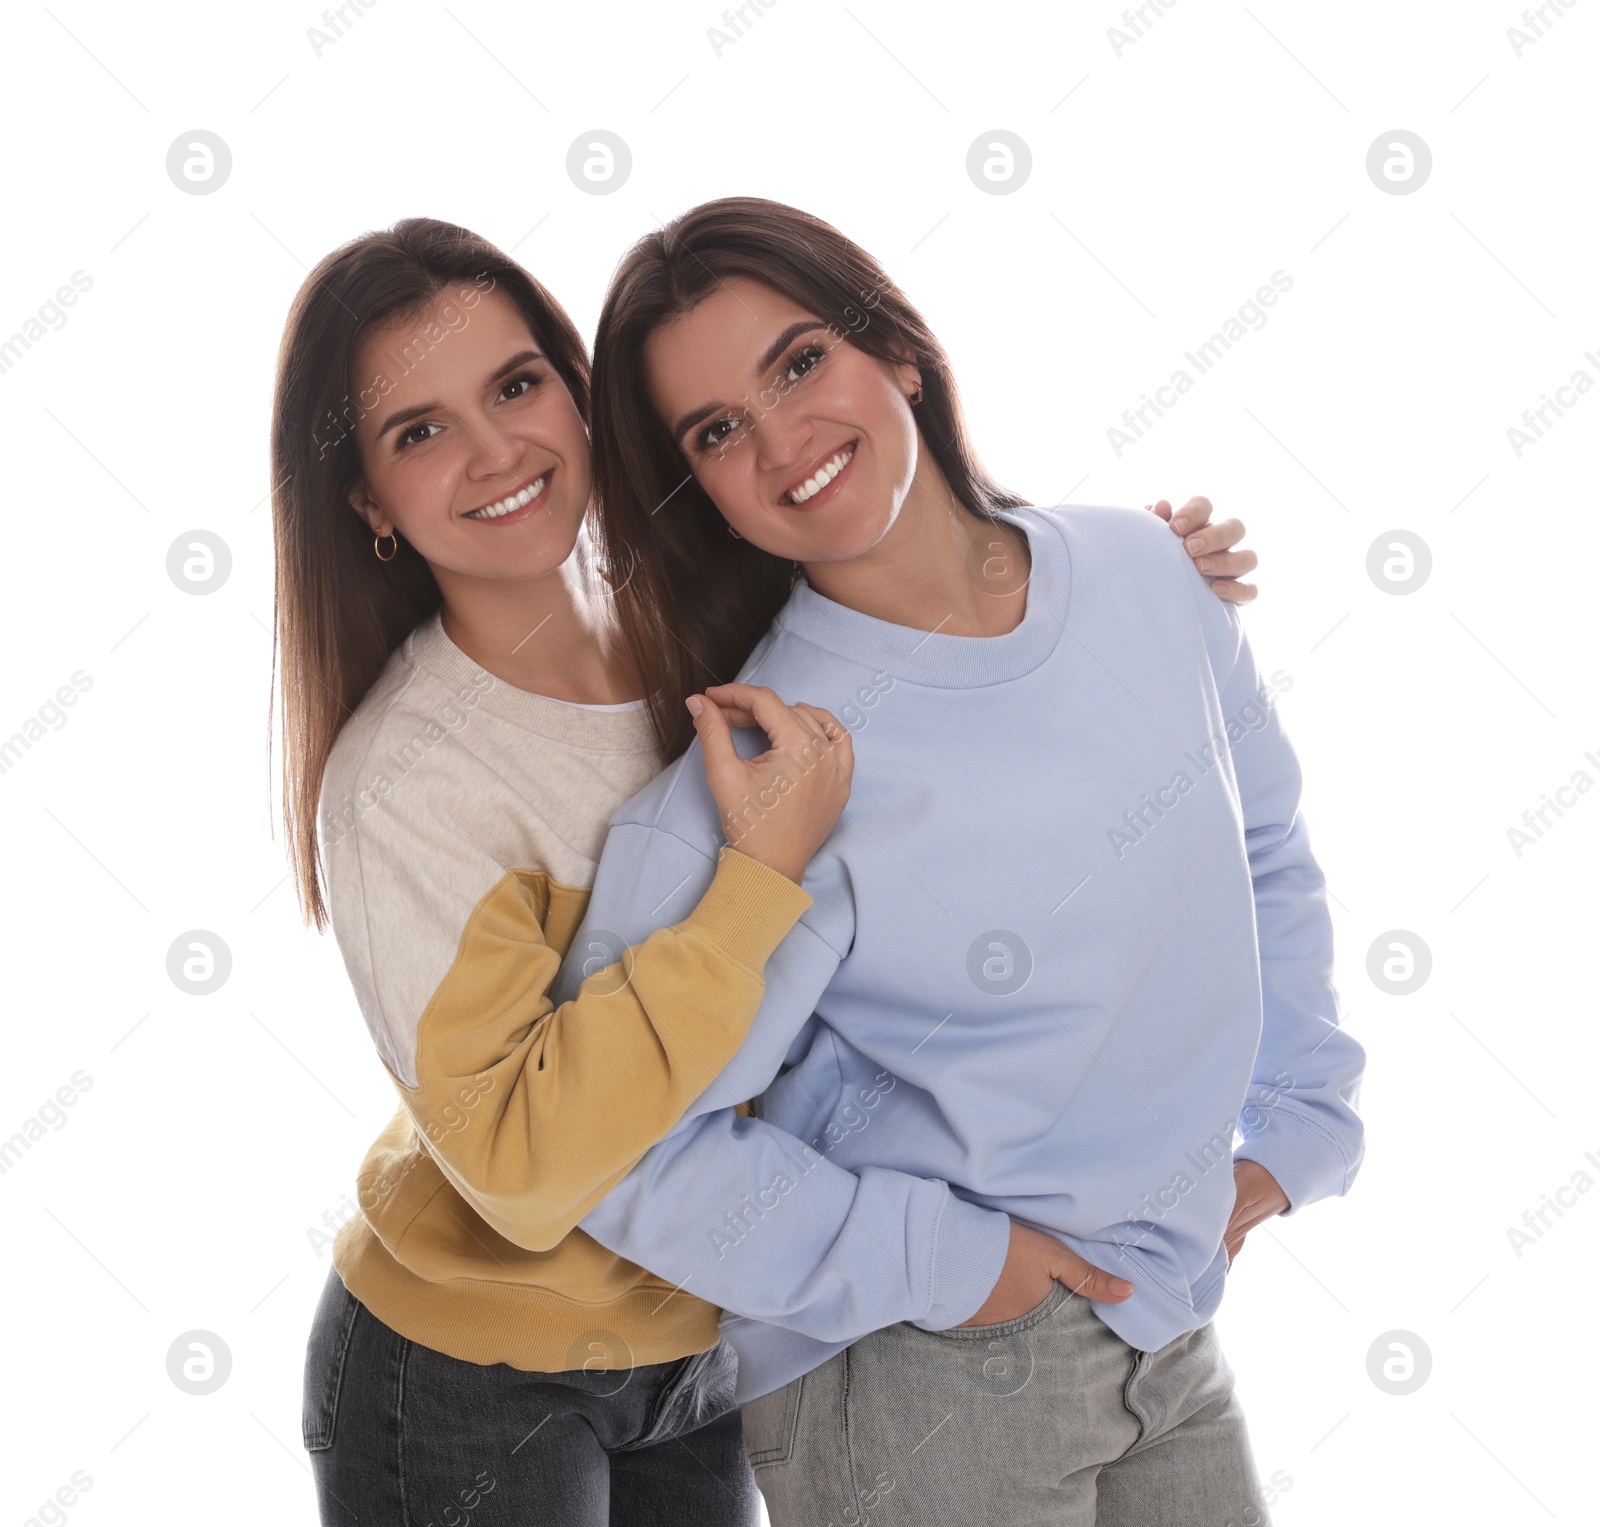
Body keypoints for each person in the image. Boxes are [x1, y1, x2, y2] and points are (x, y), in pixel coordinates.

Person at [272, 216, 1255, 1525]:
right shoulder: (411, 782)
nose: (497, 449)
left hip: (697, 1339)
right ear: (364, 502)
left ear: (580, 397)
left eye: (516, 386)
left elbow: (900, 590)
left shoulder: (694, 630)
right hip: (473, 1367)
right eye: (418, 431)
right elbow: (518, 1161)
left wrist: (1120, 576)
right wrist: (751, 891)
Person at [555, 196, 1365, 1526]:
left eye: (800, 361)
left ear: (900, 352)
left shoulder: (1147, 575)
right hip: (917, 1369)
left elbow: (1262, 842)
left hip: (1166, 1313)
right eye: (716, 432)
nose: (782, 441)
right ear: (696, 486)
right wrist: (953, 1258)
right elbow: (612, 1148)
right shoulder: (760, 771)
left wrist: (1304, 1119)